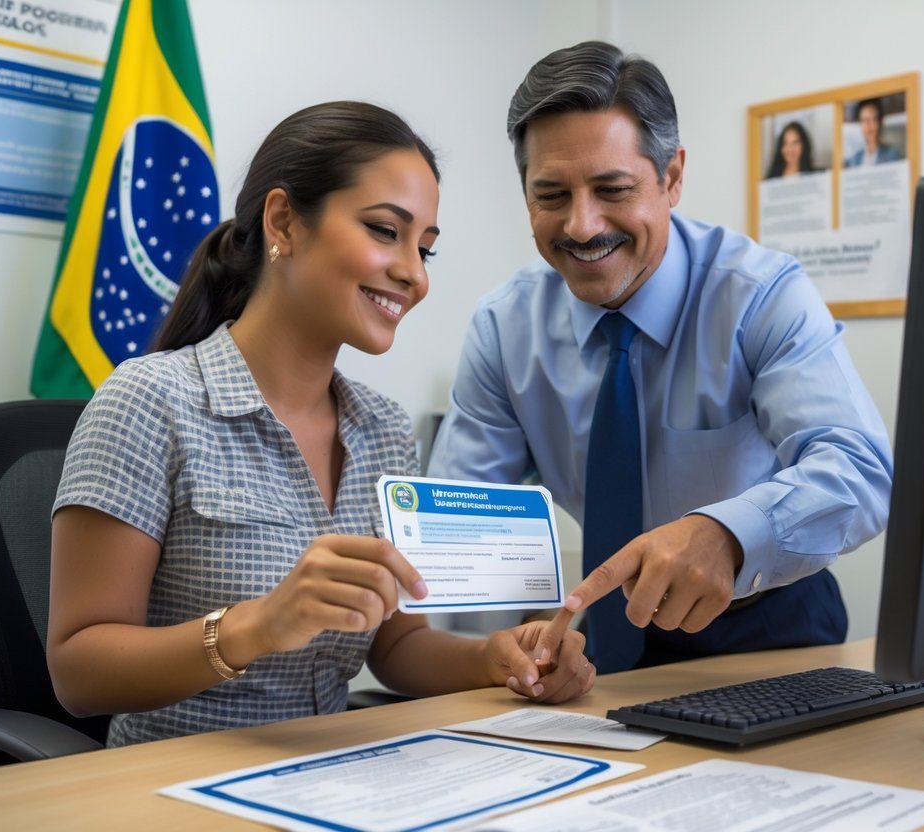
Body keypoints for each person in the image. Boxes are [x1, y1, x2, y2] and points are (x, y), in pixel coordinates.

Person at [46, 101, 594, 748]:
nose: (414, 275)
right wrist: (258, 626)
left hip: (333, 781)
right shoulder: (147, 401)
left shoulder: (384, 430)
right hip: (169, 786)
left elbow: (395, 644)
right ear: (283, 221)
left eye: (425, 249)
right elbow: (79, 670)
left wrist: (498, 658)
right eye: (385, 231)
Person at [427, 42, 893, 675]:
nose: (582, 226)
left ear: (672, 177)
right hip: (603, 640)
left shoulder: (761, 295)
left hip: (769, 626)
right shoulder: (504, 329)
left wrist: (728, 534)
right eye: (552, 195)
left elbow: (861, 468)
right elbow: (469, 525)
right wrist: (495, 657)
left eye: (612, 189)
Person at [844, 97, 902, 167]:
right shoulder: (852, 161)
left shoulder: (892, 155)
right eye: (864, 120)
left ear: (880, 123)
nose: (869, 126)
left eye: (873, 120)